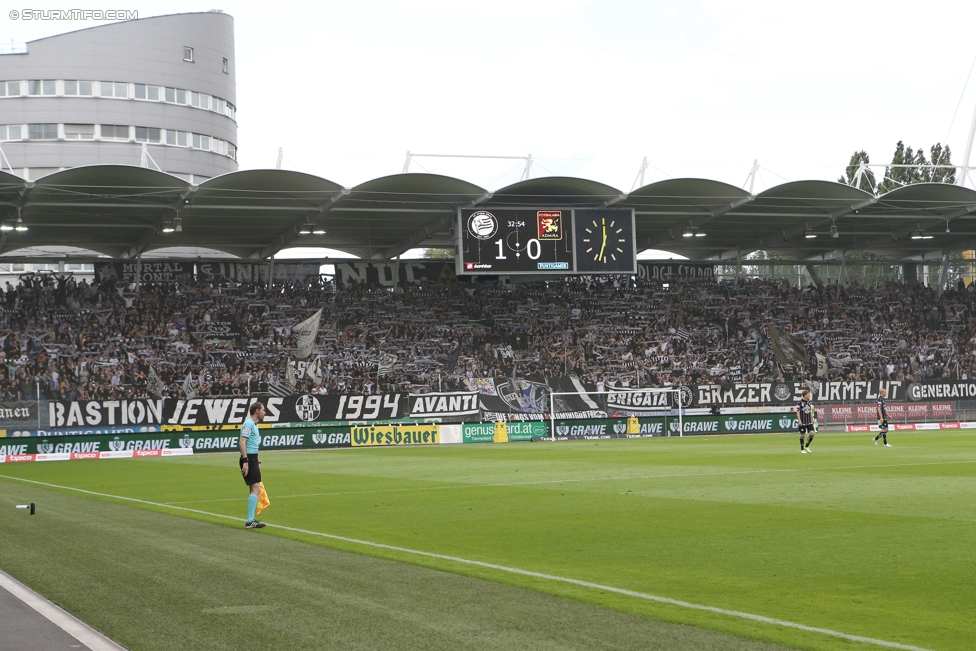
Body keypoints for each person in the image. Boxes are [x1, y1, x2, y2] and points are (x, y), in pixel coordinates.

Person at [239, 401, 267, 528]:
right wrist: (246, 461)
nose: (264, 412)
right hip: (249, 459)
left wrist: (258, 461)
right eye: (263, 410)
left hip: (253, 458)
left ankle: (251, 520)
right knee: (257, 489)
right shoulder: (249, 423)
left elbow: (253, 445)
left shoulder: (254, 424)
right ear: (257, 411)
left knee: (253, 489)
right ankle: (250, 521)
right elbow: (242, 442)